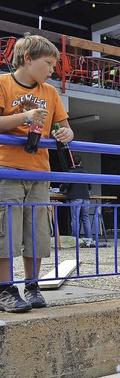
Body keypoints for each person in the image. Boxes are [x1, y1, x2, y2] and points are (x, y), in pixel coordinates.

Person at [0, 34, 74, 312]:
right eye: (48, 63)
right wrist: (25, 117)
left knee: (37, 231)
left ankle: (32, 286)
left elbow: (64, 127)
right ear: (28, 59)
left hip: (40, 170)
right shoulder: (3, 84)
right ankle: (5, 288)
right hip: (7, 168)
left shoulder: (51, 92)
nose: (52, 69)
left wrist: (66, 132)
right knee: (6, 231)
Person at [62, 154, 93, 244]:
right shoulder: (86, 173)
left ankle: (75, 240)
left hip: (75, 197)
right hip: (86, 197)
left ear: (72, 162)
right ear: (80, 162)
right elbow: (90, 186)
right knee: (85, 218)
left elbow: (66, 185)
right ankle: (89, 239)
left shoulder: (71, 172)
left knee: (75, 218)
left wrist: (61, 188)